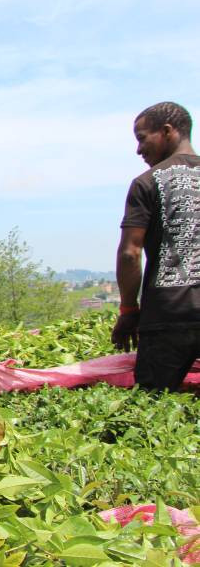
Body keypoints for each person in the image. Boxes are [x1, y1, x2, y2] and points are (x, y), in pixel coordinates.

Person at [112, 101, 200, 391]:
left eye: (142, 138)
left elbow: (130, 253)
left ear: (167, 131)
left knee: (152, 409)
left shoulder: (146, 183)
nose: (139, 150)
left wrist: (128, 311)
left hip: (168, 313)